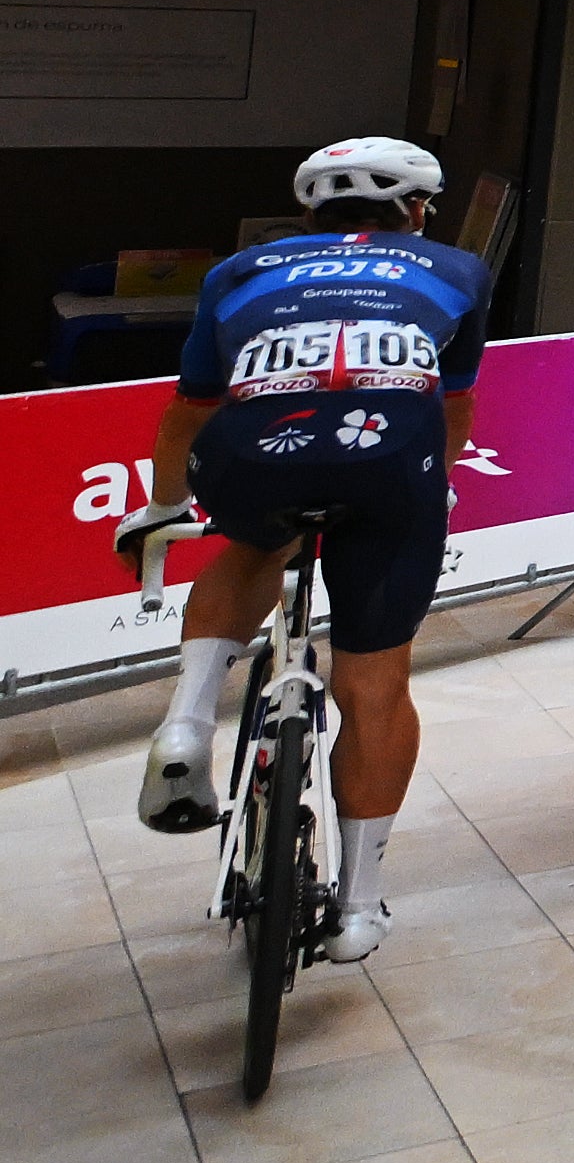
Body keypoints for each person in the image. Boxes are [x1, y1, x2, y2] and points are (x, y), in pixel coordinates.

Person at [137, 138, 496, 963]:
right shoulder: (455, 267)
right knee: (375, 685)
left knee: (255, 541)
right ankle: (359, 906)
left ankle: (187, 721)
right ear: (416, 210)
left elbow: (188, 410)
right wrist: (430, 485)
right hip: (389, 454)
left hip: (254, 448)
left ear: (308, 214)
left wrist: (161, 508)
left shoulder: (239, 271)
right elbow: (454, 405)